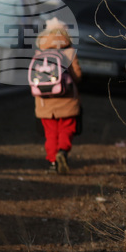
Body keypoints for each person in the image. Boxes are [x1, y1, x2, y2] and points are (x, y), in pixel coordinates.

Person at [32, 18, 82, 175]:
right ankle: (63, 151)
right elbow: (77, 74)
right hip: (67, 99)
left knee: (50, 132)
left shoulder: (40, 52)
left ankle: (53, 162)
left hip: (44, 102)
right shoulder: (69, 51)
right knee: (66, 128)